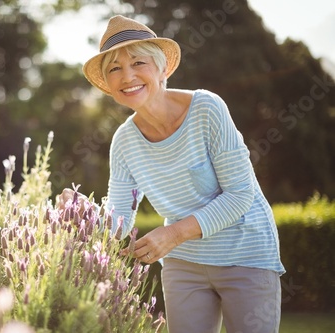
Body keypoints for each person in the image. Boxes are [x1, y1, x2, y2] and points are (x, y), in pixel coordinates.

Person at [57, 15, 285, 333]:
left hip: (245, 253)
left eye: (138, 62)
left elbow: (240, 195)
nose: (128, 76)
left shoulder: (207, 109)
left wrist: (173, 234)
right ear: (108, 85)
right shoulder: (124, 142)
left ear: (163, 68)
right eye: (114, 68)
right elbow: (118, 219)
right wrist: (81, 211)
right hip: (184, 265)